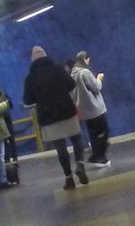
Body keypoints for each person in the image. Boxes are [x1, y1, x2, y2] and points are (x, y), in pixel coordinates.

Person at [23, 45, 87, 189]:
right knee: (76, 138)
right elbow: (71, 85)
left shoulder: (30, 78)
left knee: (60, 147)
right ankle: (80, 164)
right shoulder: (58, 68)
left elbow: (27, 100)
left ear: (32, 61)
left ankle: (68, 178)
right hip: (67, 111)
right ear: (46, 56)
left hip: (48, 117)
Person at [72, 52, 111, 167]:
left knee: (93, 134)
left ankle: (94, 156)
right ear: (85, 59)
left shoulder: (73, 74)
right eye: (88, 60)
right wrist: (99, 79)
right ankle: (101, 157)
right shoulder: (85, 72)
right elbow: (96, 88)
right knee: (105, 131)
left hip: (84, 110)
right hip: (95, 108)